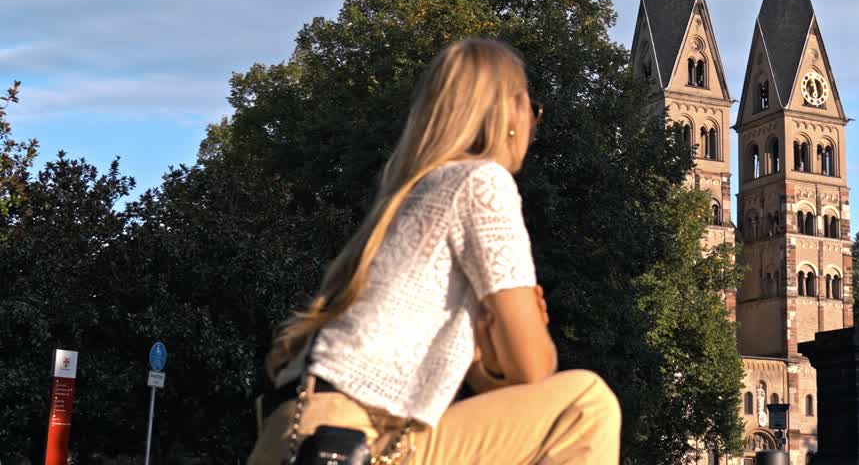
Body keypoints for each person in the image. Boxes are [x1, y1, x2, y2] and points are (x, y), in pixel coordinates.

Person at [247, 38, 621, 465]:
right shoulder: (482, 183)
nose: (534, 124)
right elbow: (536, 370)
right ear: (508, 115)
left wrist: (486, 349)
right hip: (356, 435)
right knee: (586, 405)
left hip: (301, 433)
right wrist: (529, 324)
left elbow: (503, 386)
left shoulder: (410, 196)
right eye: (531, 108)